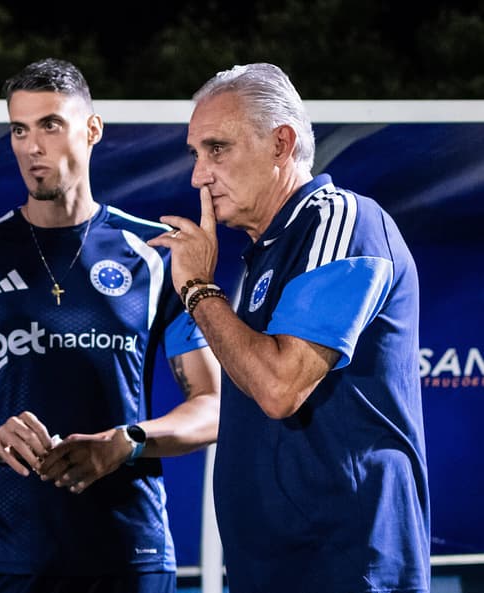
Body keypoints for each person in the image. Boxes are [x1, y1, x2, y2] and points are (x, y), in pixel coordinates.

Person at [0, 58, 221, 593]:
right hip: (2, 556)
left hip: (128, 552)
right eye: (19, 130)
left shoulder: (154, 255)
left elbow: (211, 406)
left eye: (50, 125)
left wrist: (125, 442)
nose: (31, 146)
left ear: (92, 130)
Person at [148, 63, 430, 592]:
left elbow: (280, 388)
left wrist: (198, 288)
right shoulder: (268, 251)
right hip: (278, 570)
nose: (198, 176)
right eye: (195, 154)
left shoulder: (339, 218)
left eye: (217, 149)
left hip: (346, 569)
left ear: (281, 144)